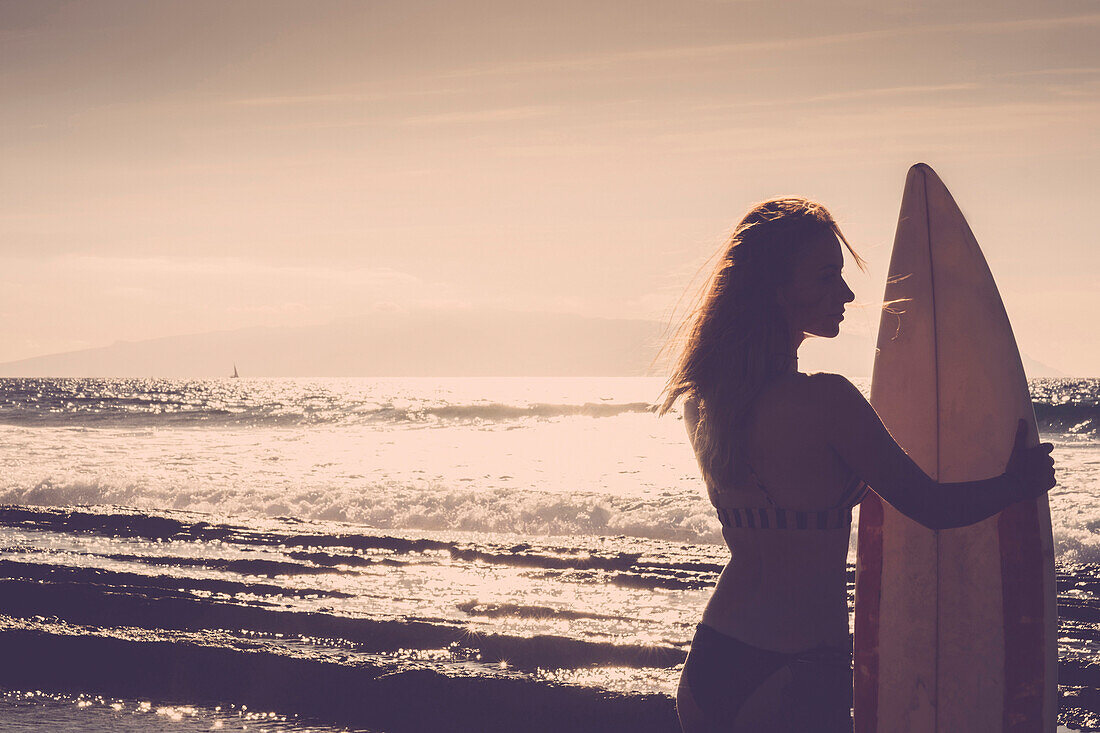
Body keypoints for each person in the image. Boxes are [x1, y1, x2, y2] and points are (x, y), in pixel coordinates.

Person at [657, 198, 1056, 733]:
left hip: (714, 661)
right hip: (796, 670)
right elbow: (932, 507)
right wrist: (1017, 483)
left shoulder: (703, 405)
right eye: (826, 277)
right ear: (775, 290)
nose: (844, 294)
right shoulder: (828, 403)